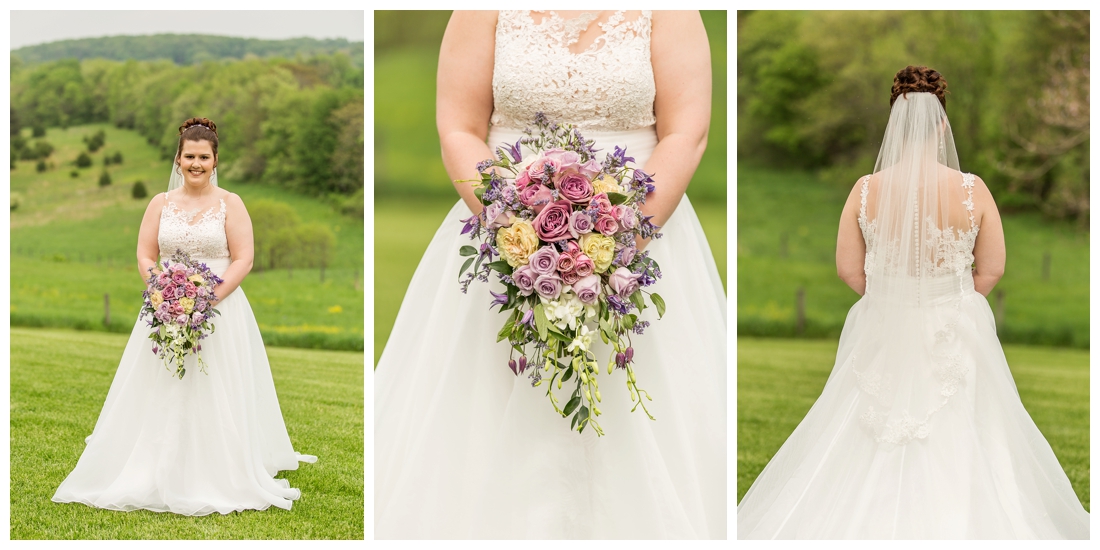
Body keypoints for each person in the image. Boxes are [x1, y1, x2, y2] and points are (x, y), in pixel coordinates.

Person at [375, 11, 726, 539]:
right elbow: (460, 129)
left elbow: (686, 133)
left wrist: (619, 238)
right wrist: (516, 229)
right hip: (503, 232)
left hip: (643, 228)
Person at [736, 66, 1090, 539]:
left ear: (894, 123)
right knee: (966, 424)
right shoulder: (972, 190)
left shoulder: (866, 190)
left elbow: (848, 269)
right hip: (956, 326)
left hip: (885, 321)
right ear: (942, 123)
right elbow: (992, 268)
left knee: (866, 423)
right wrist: (951, 298)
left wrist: (894, 297)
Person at [52, 117, 316, 516]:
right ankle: (153, 463)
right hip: (164, 307)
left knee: (215, 387)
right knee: (160, 385)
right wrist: (163, 291)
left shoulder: (231, 203)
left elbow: (244, 258)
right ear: (178, 159)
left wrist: (207, 298)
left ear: (215, 160)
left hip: (220, 309)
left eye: (203, 157)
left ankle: (217, 465)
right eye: (189, 156)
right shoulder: (160, 203)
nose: (196, 163)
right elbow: (145, 254)